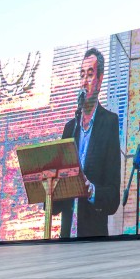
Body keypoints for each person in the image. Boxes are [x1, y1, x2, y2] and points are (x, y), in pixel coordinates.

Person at [52, 48, 122, 237]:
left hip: (93, 232)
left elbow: (113, 195)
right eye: (82, 74)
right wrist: (49, 188)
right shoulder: (70, 127)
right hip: (66, 232)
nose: (84, 81)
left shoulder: (109, 122)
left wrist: (91, 191)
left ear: (99, 81)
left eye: (90, 74)